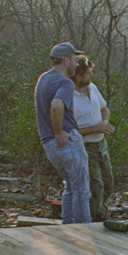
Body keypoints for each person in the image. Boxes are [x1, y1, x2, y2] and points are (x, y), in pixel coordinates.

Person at [34, 42, 91, 224]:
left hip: (49, 146)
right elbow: (57, 104)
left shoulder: (43, 78)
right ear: (66, 60)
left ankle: (67, 226)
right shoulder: (65, 82)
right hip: (67, 142)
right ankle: (86, 233)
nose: (76, 63)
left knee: (70, 187)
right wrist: (59, 132)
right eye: (74, 59)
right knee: (81, 190)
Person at [71, 56, 115, 222]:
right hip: (85, 147)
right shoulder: (69, 97)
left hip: (101, 144)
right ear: (78, 76)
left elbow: (105, 109)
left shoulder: (93, 88)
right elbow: (69, 130)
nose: (92, 76)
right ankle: (96, 219)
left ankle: (100, 212)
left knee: (108, 182)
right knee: (95, 186)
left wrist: (104, 124)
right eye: (88, 73)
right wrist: (93, 129)